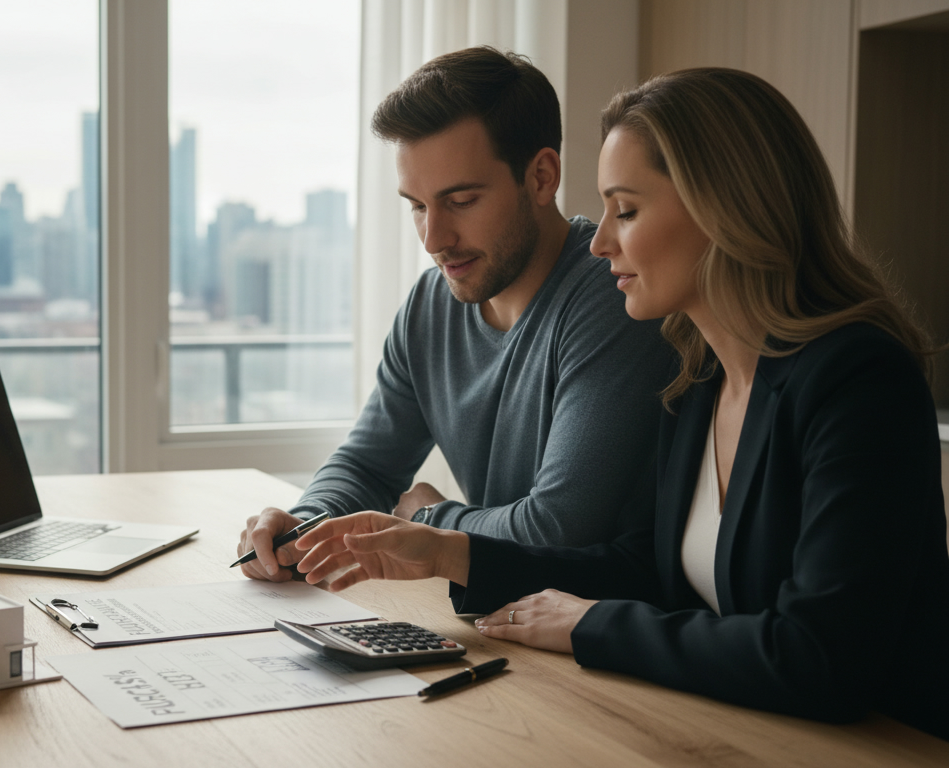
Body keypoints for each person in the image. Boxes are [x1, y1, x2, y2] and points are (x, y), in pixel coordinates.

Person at [292, 67, 949, 738]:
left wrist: (591, 623)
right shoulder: (702, 378)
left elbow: (821, 658)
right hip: (753, 729)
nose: (601, 241)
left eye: (626, 211)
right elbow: (648, 572)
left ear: (724, 208)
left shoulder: (859, 381)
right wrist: (447, 553)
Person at [237, 46, 673, 582]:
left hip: (601, 635)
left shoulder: (615, 295)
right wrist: (303, 525)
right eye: (418, 206)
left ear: (541, 177)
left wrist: (425, 520)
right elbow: (368, 466)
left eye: (461, 200)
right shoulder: (429, 307)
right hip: (503, 621)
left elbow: (560, 530)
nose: (433, 239)